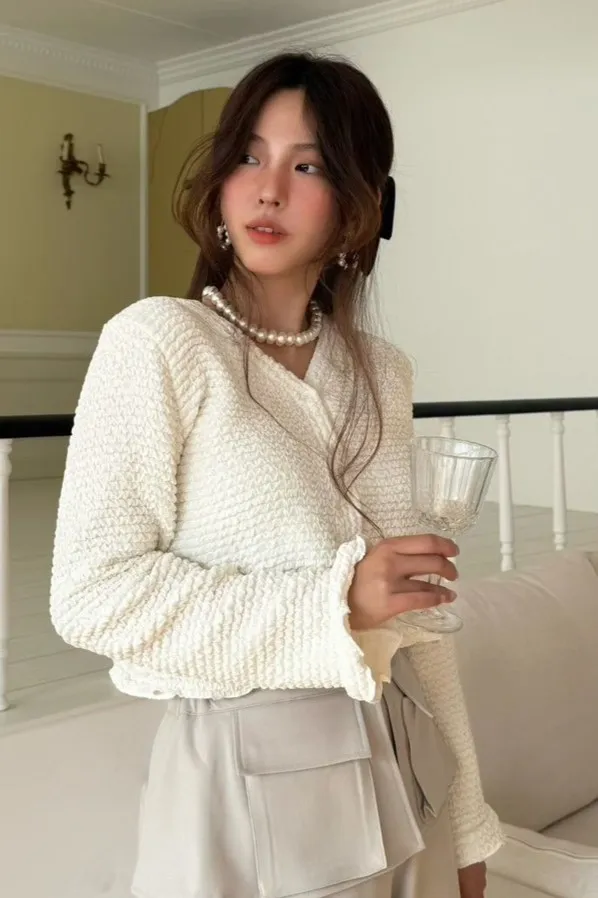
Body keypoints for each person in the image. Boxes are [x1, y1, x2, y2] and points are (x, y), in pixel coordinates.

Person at [50, 51, 503, 898]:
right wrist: (333, 604)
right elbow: (91, 595)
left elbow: (417, 618)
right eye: (250, 157)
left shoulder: (382, 372)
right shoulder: (159, 342)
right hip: (244, 784)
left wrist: (470, 823)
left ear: (359, 206)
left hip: (406, 767)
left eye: (308, 167)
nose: (267, 190)